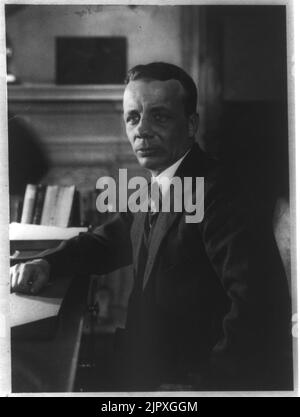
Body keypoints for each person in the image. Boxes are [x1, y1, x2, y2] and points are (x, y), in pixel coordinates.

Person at [10, 62, 293, 391]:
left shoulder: (220, 193)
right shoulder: (160, 182)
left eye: (159, 116)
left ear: (191, 125)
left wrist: (204, 387)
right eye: (133, 117)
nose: (141, 130)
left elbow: (258, 306)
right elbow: (108, 241)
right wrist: (48, 262)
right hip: (149, 363)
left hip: (188, 377)